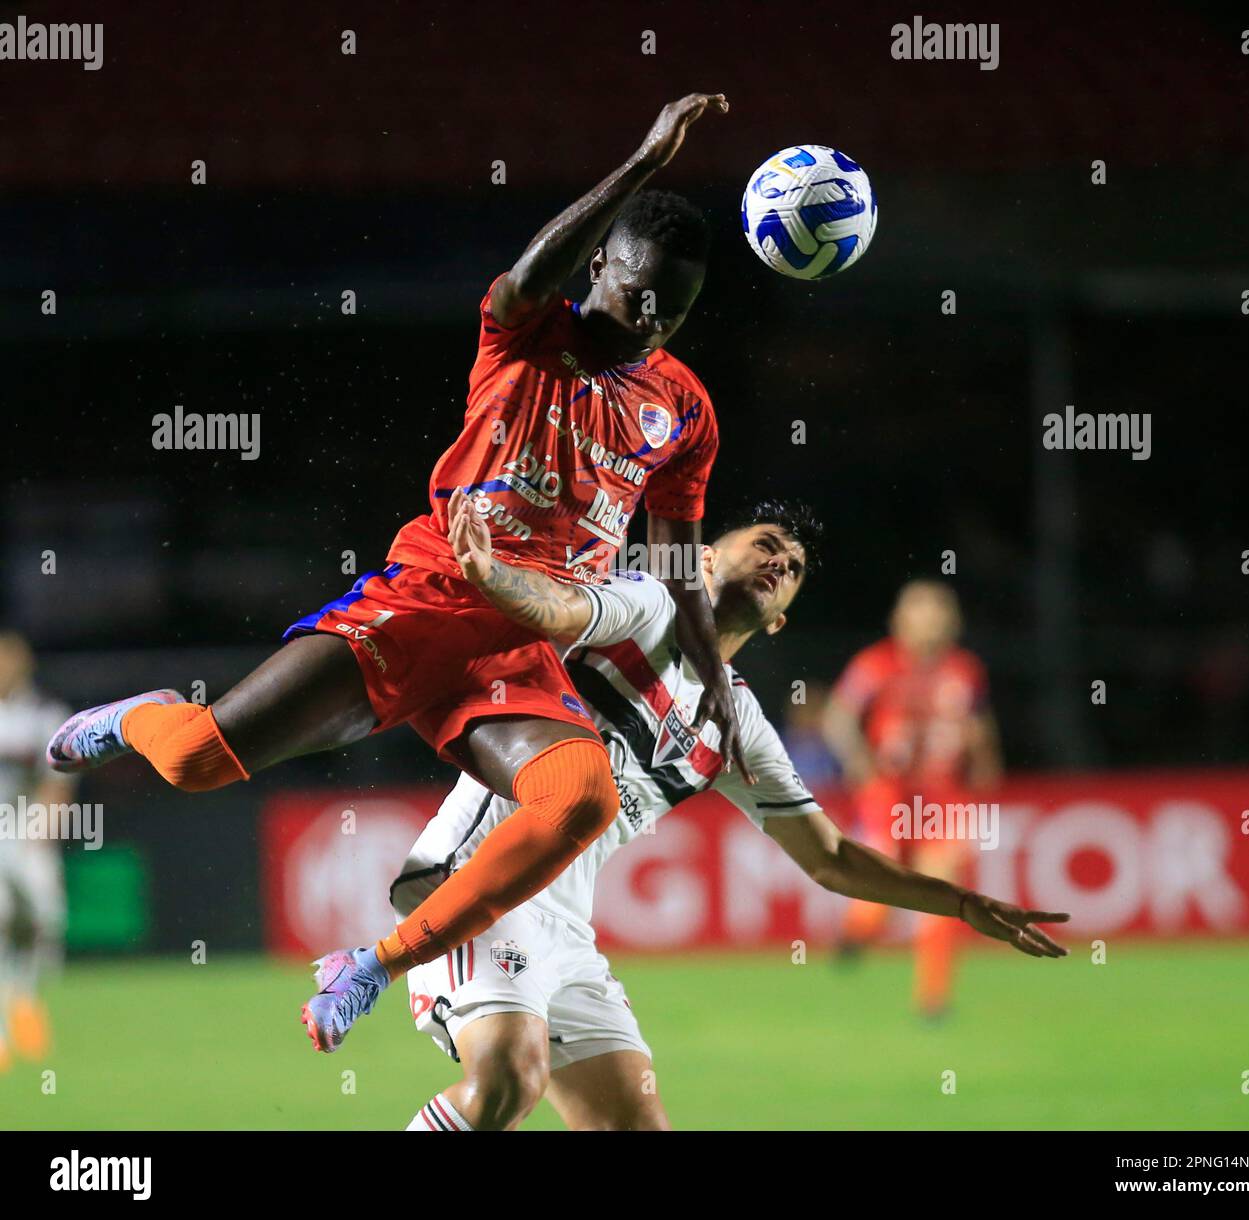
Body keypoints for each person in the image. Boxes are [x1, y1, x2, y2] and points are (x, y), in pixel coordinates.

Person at [46, 95, 746, 1051]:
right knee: (196, 761)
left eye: (676, 310)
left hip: (520, 647)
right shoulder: (526, 332)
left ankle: (371, 964)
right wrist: (642, 161)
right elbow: (532, 272)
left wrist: (710, 676)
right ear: (598, 272)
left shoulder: (685, 408)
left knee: (581, 794)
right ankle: (138, 714)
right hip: (423, 603)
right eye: (636, 297)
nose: (651, 323)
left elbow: (672, 563)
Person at [329, 497, 1065, 1129]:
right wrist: (494, 577)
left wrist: (961, 903)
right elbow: (565, 607)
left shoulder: (736, 723)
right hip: (476, 887)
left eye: (795, 567)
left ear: (779, 623)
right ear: (704, 560)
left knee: (633, 1122)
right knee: (506, 1084)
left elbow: (829, 858)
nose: (781, 560)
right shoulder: (645, 608)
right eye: (766, 544)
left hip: (565, 930)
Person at [822, 580, 1003, 1019]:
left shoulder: (965, 670)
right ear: (900, 619)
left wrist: (985, 763)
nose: (930, 619)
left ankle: (933, 1000)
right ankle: (857, 931)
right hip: (889, 792)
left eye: (938, 610)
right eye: (920, 610)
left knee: (943, 890)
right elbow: (838, 717)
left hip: (944, 796)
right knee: (885, 889)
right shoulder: (876, 664)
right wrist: (859, 763)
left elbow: (978, 725)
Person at [0, 633, 76, 1069]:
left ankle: (23, 996)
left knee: (45, 918)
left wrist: (45, 825)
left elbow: (58, 779)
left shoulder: (45, 715)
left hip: (26, 828)